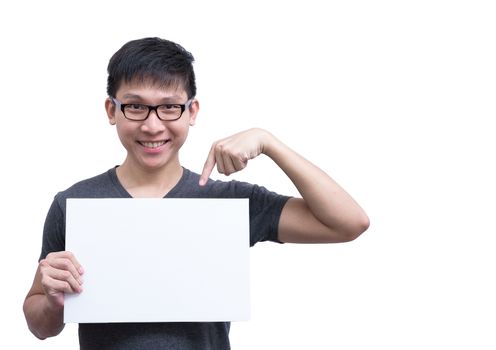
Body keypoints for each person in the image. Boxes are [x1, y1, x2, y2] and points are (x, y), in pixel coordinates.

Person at [23, 37, 369, 349]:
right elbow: (39, 326)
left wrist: (269, 142)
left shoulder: (226, 203)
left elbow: (349, 223)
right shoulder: (74, 204)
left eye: (170, 106)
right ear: (112, 110)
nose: (153, 125)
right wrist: (54, 301)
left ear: (192, 111)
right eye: (136, 106)